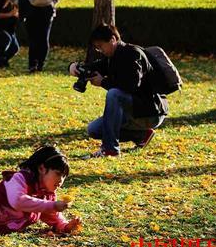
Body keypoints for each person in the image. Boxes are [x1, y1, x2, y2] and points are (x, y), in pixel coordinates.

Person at [70, 25, 169, 158]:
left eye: (100, 46)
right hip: (134, 111)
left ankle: (110, 149)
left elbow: (131, 86)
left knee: (114, 94)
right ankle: (141, 135)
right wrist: (73, 67)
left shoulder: (132, 54)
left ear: (113, 39)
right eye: (96, 47)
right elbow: (94, 67)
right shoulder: (112, 57)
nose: (99, 50)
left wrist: (103, 82)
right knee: (93, 130)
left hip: (150, 112)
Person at [11, 0, 61, 73]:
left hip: (30, 13)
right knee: (44, 39)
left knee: (33, 39)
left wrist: (21, 4)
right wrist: (51, 4)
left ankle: (32, 65)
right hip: (47, 12)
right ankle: (41, 64)